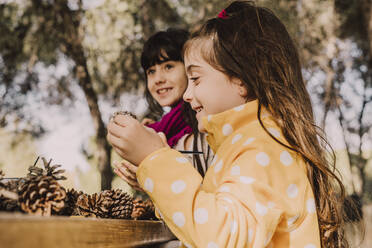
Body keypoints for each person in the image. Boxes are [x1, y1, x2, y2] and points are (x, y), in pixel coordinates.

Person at [107, 1, 350, 247]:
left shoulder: (261, 148)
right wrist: (154, 180)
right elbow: (214, 214)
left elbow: (224, 237)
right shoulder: (248, 142)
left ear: (240, 81)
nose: (188, 94)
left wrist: (157, 160)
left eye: (196, 79)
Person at [114, 29, 212, 192]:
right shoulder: (162, 130)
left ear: (189, 68)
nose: (158, 79)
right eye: (151, 71)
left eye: (168, 66)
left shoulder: (205, 121)